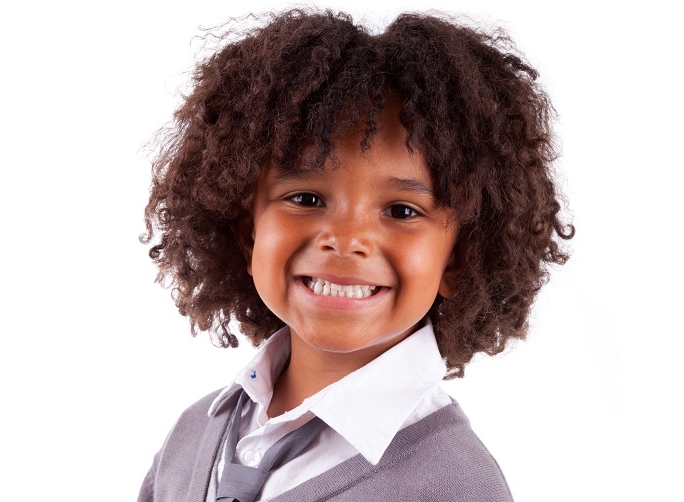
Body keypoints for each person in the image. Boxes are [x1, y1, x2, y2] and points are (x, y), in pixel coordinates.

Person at [138, 9, 573, 502]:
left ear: (458, 259)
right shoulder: (195, 435)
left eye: (402, 210)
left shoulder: (454, 486)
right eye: (306, 198)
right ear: (248, 234)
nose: (345, 240)